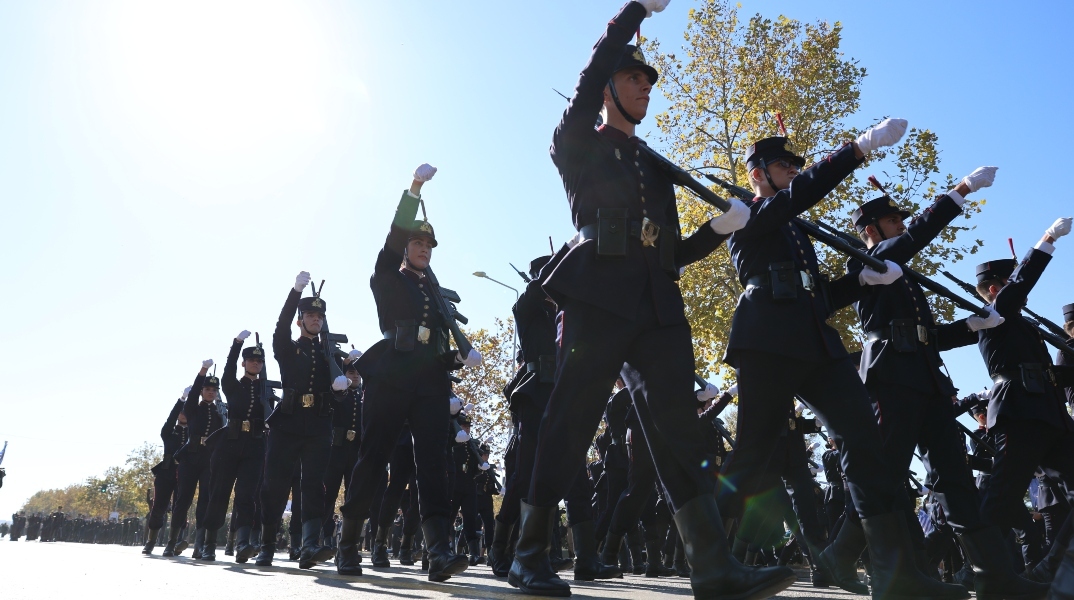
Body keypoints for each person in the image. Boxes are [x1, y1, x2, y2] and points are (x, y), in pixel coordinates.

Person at [515, 2, 793, 598]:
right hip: (597, 293)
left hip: (658, 305)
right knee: (572, 418)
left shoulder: (654, 165)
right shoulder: (578, 142)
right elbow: (589, 80)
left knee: (680, 433)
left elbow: (668, 252)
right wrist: (632, 12)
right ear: (612, 85)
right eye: (634, 77)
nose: (645, 87)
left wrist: (716, 233)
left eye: (648, 81)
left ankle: (713, 568)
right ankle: (529, 552)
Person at [842, 168, 1046, 598]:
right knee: (888, 474)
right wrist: (960, 191)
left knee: (954, 478)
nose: (902, 225)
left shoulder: (901, 272)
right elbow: (916, 236)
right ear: (871, 230)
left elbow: (927, 337)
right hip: (891, 377)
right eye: (895, 222)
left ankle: (994, 575)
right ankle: (872, 568)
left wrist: (971, 325)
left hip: (926, 379)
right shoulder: (866, 263)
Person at [336, 163, 481, 582]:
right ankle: (349, 545)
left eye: (429, 245)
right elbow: (392, 238)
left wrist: (457, 358)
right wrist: (414, 189)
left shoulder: (434, 293)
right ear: (405, 248)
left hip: (430, 379)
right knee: (373, 456)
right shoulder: (387, 275)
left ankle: (437, 551)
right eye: (417, 242)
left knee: (435, 462)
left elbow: (436, 340)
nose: (423, 248)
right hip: (391, 372)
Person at [972, 217, 1074, 586]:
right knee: (1001, 499)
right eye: (1013, 282)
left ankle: (1051, 571)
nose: (1021, 288)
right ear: (997, 288)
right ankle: (983, 573)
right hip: (1018, 411)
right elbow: (1018, 288)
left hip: (1049, 414)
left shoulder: (1023, 324)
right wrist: (1046, 240)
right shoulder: (992, 316)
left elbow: (1051, 373)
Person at [256, 273, 350, 569]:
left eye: (319, 316)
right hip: (288, 423)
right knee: (275, 485)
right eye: (310, 315)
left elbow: (339, 397)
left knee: (314, 486)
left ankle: (310, 545)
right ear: (301, 320)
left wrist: (340, 389)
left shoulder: (328, 355)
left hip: (318, 426)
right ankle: (267, 545)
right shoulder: (287, 347)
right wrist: (295, 292)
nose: (316, 319)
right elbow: (280, 326)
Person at [202, 332, 273, 563]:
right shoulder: (233, 384)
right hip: (229, 445)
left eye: (259, 360)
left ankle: (243, 544)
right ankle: (209, 544)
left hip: (254, 446)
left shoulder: (266, 389)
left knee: (246, 496)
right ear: (244, 363)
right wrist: (236, 345)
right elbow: (228, 369)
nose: (255, 363)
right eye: (251, 360)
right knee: (219, 493)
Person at [164, 363, 223, 559]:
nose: (210, 392)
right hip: (190, 457)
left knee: (205, 501)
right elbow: (194, 391)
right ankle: (171, 542)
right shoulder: (192, 408)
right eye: (207, 389)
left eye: (214, 390)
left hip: (209, 459)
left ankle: (200, 544)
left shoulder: (219, 412)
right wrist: (202, 373)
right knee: (183, 500)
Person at [144, 392, 188, 555]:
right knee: (159, 507)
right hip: (166, 472)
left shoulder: (192, 433)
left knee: (180, 508)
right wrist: (181, 401)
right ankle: (151, 541)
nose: (183, 415)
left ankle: (174, 542)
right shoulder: (169, 431)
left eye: (186, 411)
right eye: (181, 412)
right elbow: (170, 420)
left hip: (184, 473)